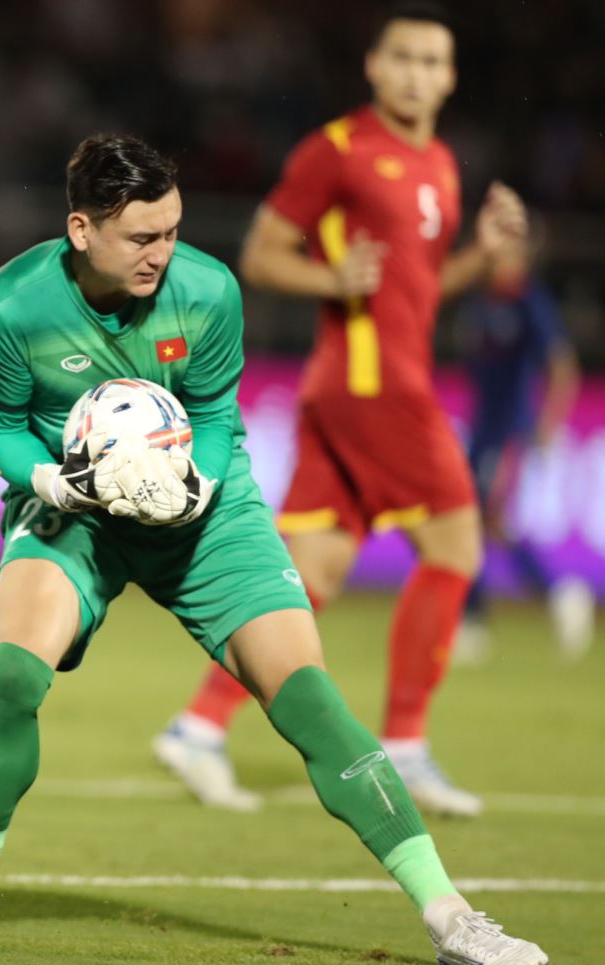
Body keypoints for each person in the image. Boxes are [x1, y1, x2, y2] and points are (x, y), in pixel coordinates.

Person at [0, 132, 548, 965]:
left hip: (206, 517)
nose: (162, 253)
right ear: (81, 229)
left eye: (172, 231)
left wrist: (194, 487)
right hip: (77, 510)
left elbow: (216, 415)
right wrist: (54, 482)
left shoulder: (209, 291)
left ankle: (453, 919)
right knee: (11, 676)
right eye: (141, 237)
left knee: (311, 704)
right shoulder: (6, 307)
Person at [156, 3, 528, 817]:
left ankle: (199, 726)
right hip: (371, 386)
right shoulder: (339, 150)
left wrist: (484, 259)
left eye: (433, 62)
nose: (416, 74)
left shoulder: (440, 165)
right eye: (403, 58)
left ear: (451, 78)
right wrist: (331, 280)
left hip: (375, 383)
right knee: (457, 545)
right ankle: (404, 741)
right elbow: (260, 254)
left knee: (311, 574)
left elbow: (418, 292)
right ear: (373, 65)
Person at [453, 235, 593, 663]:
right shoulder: (479, 302)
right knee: (488, 522)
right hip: (482, 429)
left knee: (477, 518)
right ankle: (560, 595)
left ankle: (474, 620)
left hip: (509, 432)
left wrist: (549, 423)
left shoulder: (531, 302)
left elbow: (563, 364)